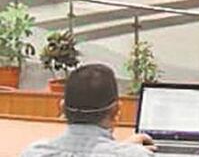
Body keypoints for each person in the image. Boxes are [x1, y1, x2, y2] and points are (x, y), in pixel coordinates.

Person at [21, 63, 155, 157]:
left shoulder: (34, 152)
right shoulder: (136, 155)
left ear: (62, 108)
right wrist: (126, 150)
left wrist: (123, 147)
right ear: (116, 111)